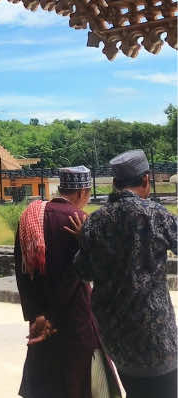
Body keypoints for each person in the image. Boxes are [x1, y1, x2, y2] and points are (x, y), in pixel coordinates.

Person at [72, 149, 177, 398]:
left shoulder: (95, 221)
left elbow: (83, 271)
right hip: (156, 337)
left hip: (116, 336)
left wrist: (83, 241)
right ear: (146, 180)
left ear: (116, 183)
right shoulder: (156, 215)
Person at [15, 166, 121, 398]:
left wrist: (37, 315)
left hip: (41, 322)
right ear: (84, 192)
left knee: (47, 380)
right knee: (83, 383)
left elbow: (22, 271)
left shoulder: (30, 217)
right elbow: (81, 274)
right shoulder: (79, 220)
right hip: (75, 318)